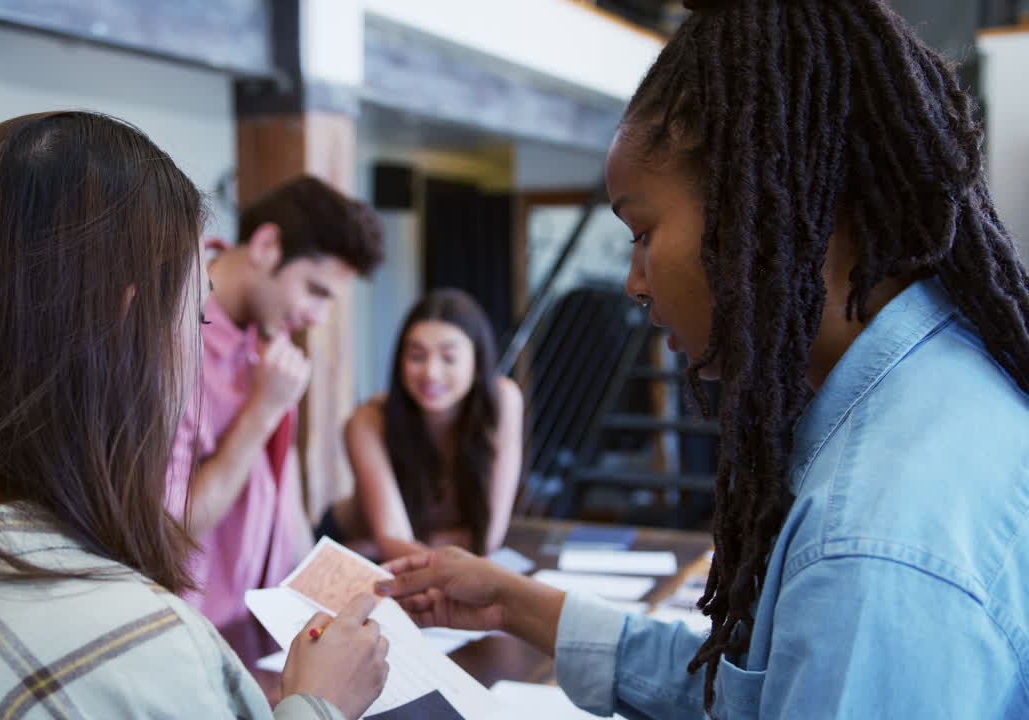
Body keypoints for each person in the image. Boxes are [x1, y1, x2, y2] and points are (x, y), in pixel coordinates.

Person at [376, 0, 1029, 717]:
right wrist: (511, 601)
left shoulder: (867, 545)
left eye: (642, 230)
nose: (633, 281)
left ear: (760, 197)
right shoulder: (944, 385)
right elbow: (754, 696)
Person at [0, 111, 388, 720]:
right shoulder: (133, 650)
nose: (195, 345)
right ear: (128, 323)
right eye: (193, 316)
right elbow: (174, 530)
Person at [165, 175, 383, 628]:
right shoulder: (170, 336)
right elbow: (172, 532)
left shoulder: (271, 331)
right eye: (315, 291)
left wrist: (327, 605)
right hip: (193, 629)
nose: (316, 317)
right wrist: (263, 411)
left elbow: (282, 487)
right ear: (266, 246)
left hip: (261, 622)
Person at [320, 288, 522, 561]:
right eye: (417, 356)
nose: (431, 372)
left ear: (477, 363)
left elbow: (487, 538)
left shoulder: (503, 401)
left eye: (449, 358)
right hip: (352, 552)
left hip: (389, 553)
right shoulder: (367, 420)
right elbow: (393, 541)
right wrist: (379, 547)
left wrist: (375, 546)